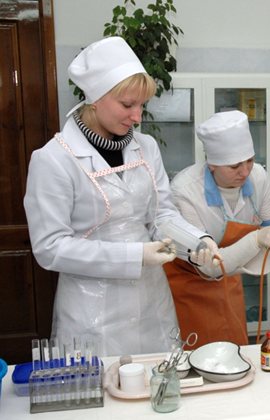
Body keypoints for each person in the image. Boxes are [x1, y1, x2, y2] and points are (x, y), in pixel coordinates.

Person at [23, 37, 221, 357]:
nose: (137, 116)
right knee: (103, 387)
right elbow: (50, 248)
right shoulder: (54, 159)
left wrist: (196, 241)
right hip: (91, 312)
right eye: (128, 105)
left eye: (141, 105)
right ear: (95, 99)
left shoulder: (146, 148)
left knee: (158, 380)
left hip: (151, 302)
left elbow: (161, 216)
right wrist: (135, 255)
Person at [165, 110, 270, 347]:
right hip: (190, 279)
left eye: (250, 161)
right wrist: (256, 239)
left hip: (229, 272)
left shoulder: (257, 177)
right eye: (234, 166)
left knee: (233, 345)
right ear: (212, 165)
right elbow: (209, 267)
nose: (245, 172)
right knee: (197, 350)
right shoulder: (185, 191)